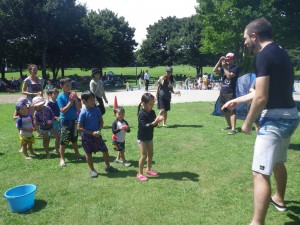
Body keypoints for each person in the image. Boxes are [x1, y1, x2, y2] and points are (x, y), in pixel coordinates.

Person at [222, 18, 299, 225]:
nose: (245, 42)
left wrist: (247, 123)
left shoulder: (263, 56)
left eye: (246, 38)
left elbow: (261, 98)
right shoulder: (280, 52)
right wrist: (237, 100)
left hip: (274, 121)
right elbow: (261, 91)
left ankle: (257, 223)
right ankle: (279, 199)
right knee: (277, 162)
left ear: (254, 36)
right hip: (290, 117)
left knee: (259, 172)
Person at [78, 90, 118, 178]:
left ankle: (108, 167)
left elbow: (101, 121)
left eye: (93, 99)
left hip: (97, 135)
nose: (93, 101)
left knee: (105, 150)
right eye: (91, 100)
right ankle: (93, 170)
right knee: (88, 154)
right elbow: (79, 128)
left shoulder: (97, 110)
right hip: (87, 137)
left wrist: (99, 130)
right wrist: (91, 133)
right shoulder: (83, 113)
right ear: (84, 101)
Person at [136, 93, 164, 182]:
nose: (152, 106)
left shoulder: (152, 112)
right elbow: (144, 126)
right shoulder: (141, 113)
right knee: (144, 156)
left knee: (150, 154)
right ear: (143, 103)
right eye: (150, 104)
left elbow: (153, 125)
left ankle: (148, 169)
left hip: (149, 137)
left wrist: (158, 120)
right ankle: (139, 173)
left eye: (153, 104)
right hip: (142, 138)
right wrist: (154, 122)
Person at [56, 77, 83, 167]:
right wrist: (71, 101)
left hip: (74, 120)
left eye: (70, 85)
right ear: (61, 86)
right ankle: (62, 158)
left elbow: (78, 108)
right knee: (64, 140)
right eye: (67, 85)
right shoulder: (60, 97)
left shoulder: (73, 95)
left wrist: (75, 100)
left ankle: (77, 154)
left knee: (74, 139)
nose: (69, 87)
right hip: (65, 121)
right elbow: (63, 110)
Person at [213, 53, 240, 135]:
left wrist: (224, 66)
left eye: (229, 59)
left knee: (232, 110)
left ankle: (233, 129)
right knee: (225, 110)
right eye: (226, 59)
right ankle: (229, 125)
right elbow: (214, 70)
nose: (227, 61)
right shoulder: (225, 67)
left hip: (230, 92)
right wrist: (219, 61)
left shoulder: (236, 67)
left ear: (233, 59)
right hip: (223, 91)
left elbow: (229, 76)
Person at [21, 64, 44, 136]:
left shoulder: (40, 80)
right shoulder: (27, 80)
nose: (35, 71)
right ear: (30, 71)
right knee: (34, 116)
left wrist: (41, 93)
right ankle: (38, 131)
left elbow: (41, 90)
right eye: (34, 70)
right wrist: (33, 94)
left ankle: (42, 129)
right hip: (31, 100)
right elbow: (23, 91)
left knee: (42, 114)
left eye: (36, 69)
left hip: (39, 100)